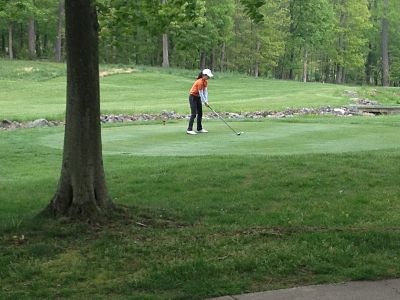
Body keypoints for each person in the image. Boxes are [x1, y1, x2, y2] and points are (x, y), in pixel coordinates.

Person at [186, 68, 213, 135]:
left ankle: (199, 128)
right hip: (193, 97)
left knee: (200, 113)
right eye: (208, 76)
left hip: (197, 97)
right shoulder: (200, 82)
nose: (209, 77)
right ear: (204, 75)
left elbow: (205, 92)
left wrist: (206, 101)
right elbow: (201, 93)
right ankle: (189, 129)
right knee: (194, 113)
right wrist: (204, 102)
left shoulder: (205, 82)